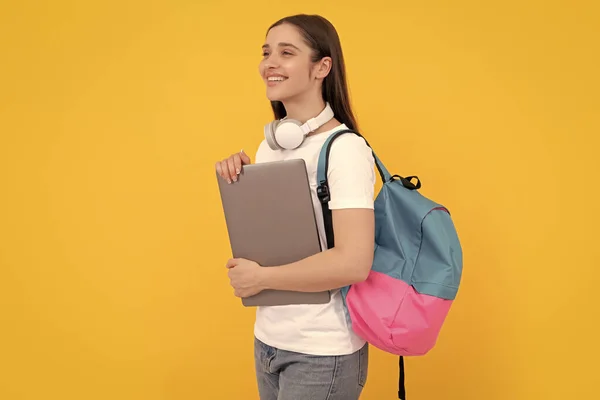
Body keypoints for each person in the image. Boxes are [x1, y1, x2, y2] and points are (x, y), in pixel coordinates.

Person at [215, 14, 376, 400]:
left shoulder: (346, 149)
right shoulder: (269, 147)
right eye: (267, 52)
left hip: (322, 350)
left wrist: (261, 279)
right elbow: (283, 242)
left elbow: (353, 263)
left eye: (287, 53)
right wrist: (246, 184)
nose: (270, 63)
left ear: (322, 67)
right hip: (269, 340)